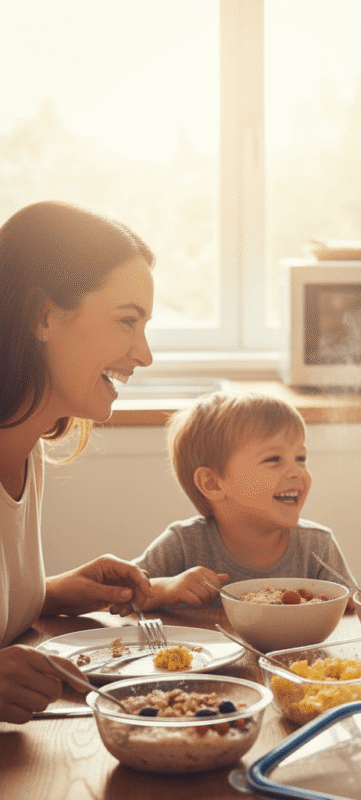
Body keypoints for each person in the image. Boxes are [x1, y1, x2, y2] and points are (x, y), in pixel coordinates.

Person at [0, 201, 155, 724]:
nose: (144, 354)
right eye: (127, 322)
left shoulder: (28, 449)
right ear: (43, 315)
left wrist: (51, 592)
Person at [133, 391, 357, 608]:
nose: (298, 472)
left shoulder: (317, 545)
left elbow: (352, 611)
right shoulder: (182, 544)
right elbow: (117, 596)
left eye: (300, 458)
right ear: (212, 483)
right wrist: (166, 589)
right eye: (274, 459)